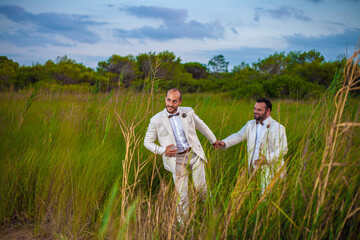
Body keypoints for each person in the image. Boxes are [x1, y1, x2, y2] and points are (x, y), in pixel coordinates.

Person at [144, 88, 219, 218]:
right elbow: (147, 142)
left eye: (174, 101)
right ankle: (183, 226)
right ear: (165, 99)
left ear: (180, 102)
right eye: (168, 100)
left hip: (193, 154)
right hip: (176, 160)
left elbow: (202, 126)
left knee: (201, 187)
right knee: (182, 194)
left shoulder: (188, 112)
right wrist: (163, 151)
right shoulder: (156, 120)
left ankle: (211, 213)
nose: (170, 104)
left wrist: (213, 140)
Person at [215, 98, 288, 193]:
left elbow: (283, 150)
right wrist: (224, 143)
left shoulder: (278, 128)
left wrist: (266, 159)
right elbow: (239, 135)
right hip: (252, 169)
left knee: (266, 198)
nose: (255, 111)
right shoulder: (250, 124)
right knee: (253, 195)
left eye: (259, 110)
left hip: (269, 170)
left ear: (268, 111)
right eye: (254, 109)